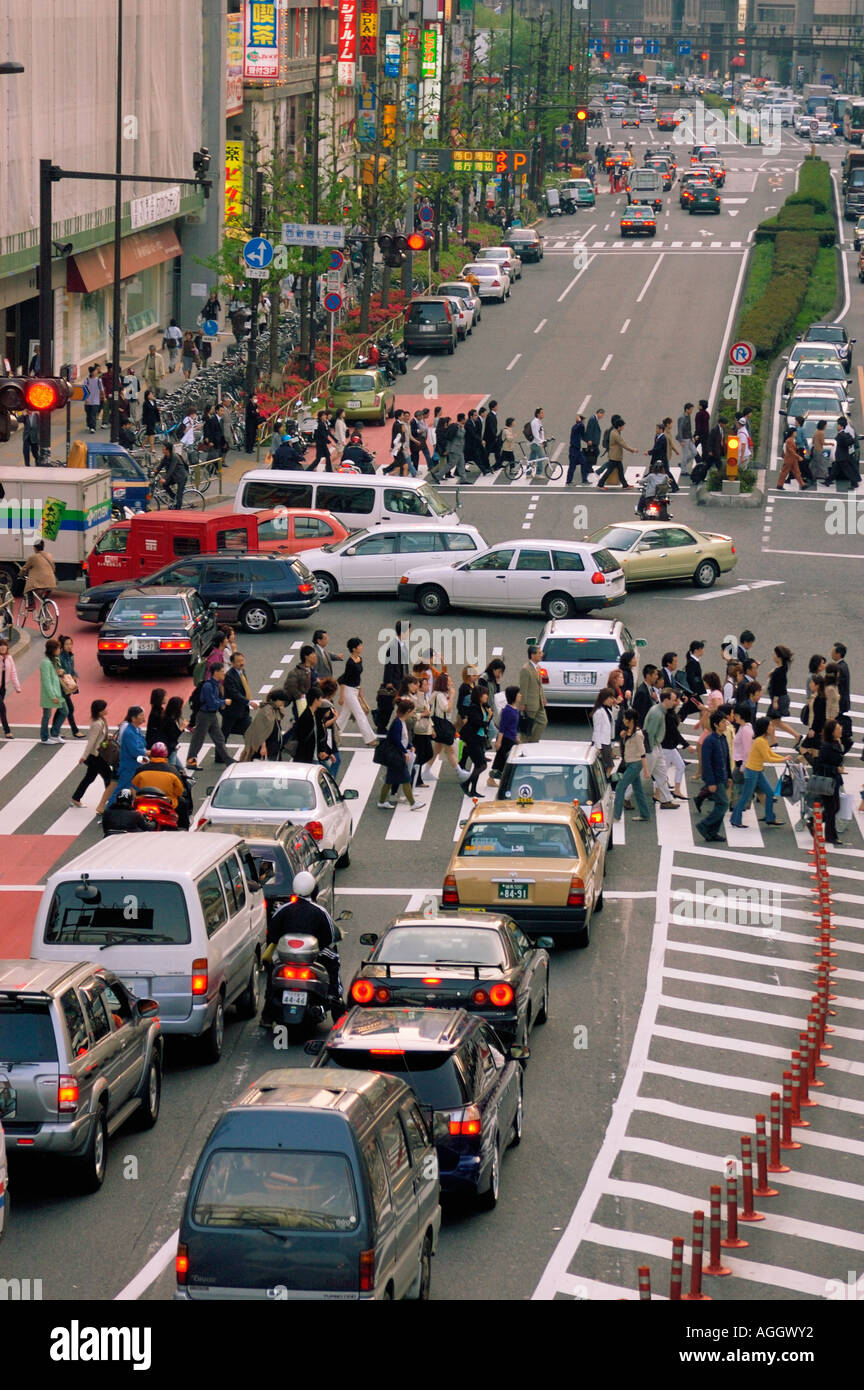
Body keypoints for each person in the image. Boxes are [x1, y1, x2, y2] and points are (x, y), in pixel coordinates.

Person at [262, 871, 343, 1020]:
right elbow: (329, 937)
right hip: (312, 957)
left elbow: (272, 935)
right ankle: (335, 997)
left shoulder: (283, 910)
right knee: (334, 960)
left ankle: (267, 1013)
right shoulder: (320, 911)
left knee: (271, 967)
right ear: (313, 889)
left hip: (286, 958)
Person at [730, 716, 789, 827]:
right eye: (771, 725)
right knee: (745, 796)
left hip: (758, 770)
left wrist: (783, 757)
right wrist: (783, 759)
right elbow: (768, 758)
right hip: (752, 771)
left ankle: (769, 817)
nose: (773, 727)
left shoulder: (763, 740)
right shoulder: (760, 741)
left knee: (770, 793)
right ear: (765, 728)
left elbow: (770, 754)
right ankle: (735, 820)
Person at [375, 698, 424, 810]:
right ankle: (412, 803)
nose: (413, 713)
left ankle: (382, 802)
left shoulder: (400, 722)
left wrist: (409, 746)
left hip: (395, 755)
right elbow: (396, 740)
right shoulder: (398, 723)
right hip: (396, 756)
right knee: (406, 778)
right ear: (407, 711)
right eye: (412, 711)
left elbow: (403, 739)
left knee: (389, 781)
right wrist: (404, 751)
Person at [131, 743, 191, 828]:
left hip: (143, 802)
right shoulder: (172, 771)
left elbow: (134, 784)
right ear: (165, 755)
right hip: (166, 803)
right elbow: (179, 791)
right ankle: (183, 827)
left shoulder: (141, 770)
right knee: (182, 802)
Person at [185, 663, 234, 768]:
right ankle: (190, 762)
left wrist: (221, 702)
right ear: (215, 672)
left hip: (211, 715)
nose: (223, 673)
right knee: (198, 740)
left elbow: (214, 701)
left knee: (219, 739)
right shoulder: (208, 686)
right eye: (221, 671)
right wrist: (224, 702)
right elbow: (211, 703)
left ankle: (228, 761)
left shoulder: (215, 684)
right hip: (204, 715)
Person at [71, 699, 115, 810]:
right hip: (96, 755)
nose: (107, 709)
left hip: (97, 754)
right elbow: (91, 741)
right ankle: (110, 801)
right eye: (105, 708)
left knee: (89, 777)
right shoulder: (97, 724)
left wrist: (108, 736)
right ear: (100, 711)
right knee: (108, 777)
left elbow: (100, 737)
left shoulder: (101, 720)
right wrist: (84, 756)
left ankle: (76, 798)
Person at [695, 709, 732, 842]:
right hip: (714, 779)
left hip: (722, 776)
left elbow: (726, 758)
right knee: (723, 803)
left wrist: (729, 776)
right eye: (723, 722)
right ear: (716, 724)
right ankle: (704, 825)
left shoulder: (722, 738)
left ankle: (712, 831)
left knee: (720, 804)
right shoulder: (709, 740)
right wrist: (710, 782)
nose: (725, 724)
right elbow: (706, 763)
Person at [429, 673, 472, 783]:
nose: (452, 682)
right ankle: (459, 772)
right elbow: (447, 709)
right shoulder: (439, 695)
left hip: (440, 724)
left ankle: (425, 771)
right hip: (442, 725)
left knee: (437, 750)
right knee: (450, 750)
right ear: (445, 683)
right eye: (449, 681)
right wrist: (452, 696)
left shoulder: (438, 694)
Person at [810, 719, 846, 845]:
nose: (840, 729)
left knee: (835, 807)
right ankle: (831, 836)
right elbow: (818, 765)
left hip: (834, 780)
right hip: (827, 781)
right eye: (837, 728)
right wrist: (835, 769)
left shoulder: (836, 743)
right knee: (832, 808)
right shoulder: (826, 746)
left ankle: (813, 821)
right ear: (832, 732)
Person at [613, 709, 652, 822]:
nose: (623, 720)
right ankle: (645, 814)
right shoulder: (628, 731)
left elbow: (642, 753)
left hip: (635, 764)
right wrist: (623, 736)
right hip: (630, 763)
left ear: (631, 720)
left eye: (625, 718)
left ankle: (616, 815)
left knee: (620, 787)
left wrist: (646, 770)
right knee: (638, 790)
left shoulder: (638, 734)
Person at [337, 637, 377, 745]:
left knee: (344, 715)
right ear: (354, 649)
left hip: (355, 690)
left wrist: (360, 689)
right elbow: (344, 680)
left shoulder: (359, 659)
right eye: (359, 645)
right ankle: (370, 739)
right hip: (348, 691)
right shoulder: (350, 663)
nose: (361, 647)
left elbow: (358, 677)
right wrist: (341, 696)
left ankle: (333, 735)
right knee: (360, 714)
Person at [643, 689, 679, 809]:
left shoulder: (659, 710)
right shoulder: (657, 713)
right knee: (643, 774)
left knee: (662, 774)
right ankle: (625, 797)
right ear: (666, 700)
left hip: (656, 746)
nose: (675, 702)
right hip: (652, 747)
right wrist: (650, 750)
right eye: (673, 700)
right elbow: (650, 733)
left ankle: (666, 799)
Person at [107, 706, 148, 805]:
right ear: (133, 718)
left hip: (137, 766)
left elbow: (142, 743)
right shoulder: (129, 732)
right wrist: (147, 753)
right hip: (129, 767)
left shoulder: (136, 729)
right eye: (141, 715)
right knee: (120, 790)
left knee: (137, 789)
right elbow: (135, 751)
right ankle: (108, 811)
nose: (144, 717)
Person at [241, 689, 287, 762]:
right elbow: (260, 729)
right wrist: (263, 746)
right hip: (268, 746)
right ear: (277, 700)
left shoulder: (275, 709)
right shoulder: (267, 711)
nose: (283, 703)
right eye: (282, 701)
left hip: (273, 745)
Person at [489, 685, 521, 783]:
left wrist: (517, 738)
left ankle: (500, 779)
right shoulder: (507, 710)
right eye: (518, 693)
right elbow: (502, 727)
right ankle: (491, 779)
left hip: (511, 738)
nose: (520, 695)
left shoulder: (515, 709)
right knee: (501, 759)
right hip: (506, 739)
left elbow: (513, 726)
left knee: (506, 759)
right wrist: (499, 741)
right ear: (514, 696)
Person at [223, 651, 257, 739]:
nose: (241, 663)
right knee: (224, 736)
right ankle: (219, 752)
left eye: (242, 660)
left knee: (249, 732)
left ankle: (250, 751)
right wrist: (248, 702)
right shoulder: (229, 676)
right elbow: (235, 694)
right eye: (238, 661)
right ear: (233, 663)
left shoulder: (242, 672)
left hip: (243, 710)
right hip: (232, 711)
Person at [596, 414, 637, 488]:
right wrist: (632, 450)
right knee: (609, 471)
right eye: (622, 426)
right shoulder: (615, 434)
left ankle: (625, 485)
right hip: (614, 456)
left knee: (620, 471)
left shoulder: (615, 432)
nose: (623, 428)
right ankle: (600, 484)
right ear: (619, 427)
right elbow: (622, 443)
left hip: (616, 456)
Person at [39, 638, 66, 744]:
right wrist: (52, 696)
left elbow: (56, 675)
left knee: (64, 711)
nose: (60, 650)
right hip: (50, 693)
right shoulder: (45, 663)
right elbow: (46, 681)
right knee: (47, 715)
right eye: (58, 648)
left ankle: (54, 734)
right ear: (53, 649)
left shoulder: (55, 660)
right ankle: (44, 737)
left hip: (58, 691)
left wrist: (60, 672)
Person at [519, 646, 548, 741]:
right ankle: (522, 746)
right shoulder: (526, 669)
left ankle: (533, 741)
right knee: (528, 726)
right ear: (532, 655)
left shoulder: (538, 667)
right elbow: (524, 688)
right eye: (539, 653)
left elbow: (540, 685)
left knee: (543, 721)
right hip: (530, 703)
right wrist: (523, 703)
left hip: (538, 702)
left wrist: (543, 697)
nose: (541, 655)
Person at [57, 635, 83, 738]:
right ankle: (75, 731)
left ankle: (55, 730)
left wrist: (75, 676)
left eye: (70, 644)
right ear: (62, 645)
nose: (69, 646)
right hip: (62, 686)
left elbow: (71, 669)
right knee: (69, 709)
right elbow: (60, 671)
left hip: (68, 685)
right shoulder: (60, 657)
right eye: (67, 644)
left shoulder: (70, 655)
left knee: (62, 709)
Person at [23, 539, 56, 612]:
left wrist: (20, 574)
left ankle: (31, 605)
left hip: (40, 583)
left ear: (34, 548)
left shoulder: (33, 557)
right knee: (44, 600)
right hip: (51, 582)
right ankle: (45, 617)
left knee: (29, 589)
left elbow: (25, 568)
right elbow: (53, 568)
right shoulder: (49, 555)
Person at [590, 687, 617, 776]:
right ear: (604, 698)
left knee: (608, 765)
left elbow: (614, 720)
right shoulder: (599, 712)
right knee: (609, 765)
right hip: (602, 743)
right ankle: (606, 779)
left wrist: (616, 705)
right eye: (611, 698)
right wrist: (598, 746)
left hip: (606, 742)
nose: (612, 700)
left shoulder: (607, 709)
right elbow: (597, 730)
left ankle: (605, 778)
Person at [0, 637, 21, 738]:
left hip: (2, 689)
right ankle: (7, 731)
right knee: (2, 708)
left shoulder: (9, 658)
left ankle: (7, 731)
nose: (3, 647)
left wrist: (17, 686)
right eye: (1, 645)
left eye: (4, 645)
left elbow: (13, 673)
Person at [160, 695, 187, 770]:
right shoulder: (169, 720)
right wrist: (181, 728)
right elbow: (172, 736)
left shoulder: (172, 718)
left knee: (180, 770)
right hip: (169, 749)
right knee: (172, 770)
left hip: (172, 749)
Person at [383, 621, 411, 690]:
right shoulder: (393, 646)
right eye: (408, 631)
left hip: (402, 680)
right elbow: (389, 666)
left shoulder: (403, 644)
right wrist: (388, 682)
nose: (410, 633)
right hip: (395, 682)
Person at [676, 402, 696, 478]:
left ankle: (682, 464)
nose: (692, 411)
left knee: (694, 452)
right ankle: (683, 471)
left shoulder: (688, 416)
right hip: (684, 438)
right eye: (691, 409)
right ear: (686, 409)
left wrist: (692, 438)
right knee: (685, 455)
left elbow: (689, 428)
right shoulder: (682, 418)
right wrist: (681, 441)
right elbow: (680, 429)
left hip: (689, 438)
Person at [567, 414, 589, 485]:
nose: (584, 422)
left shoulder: (578, 428)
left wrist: (587, 441)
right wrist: (580, 422)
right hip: (574, 450)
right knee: (572, 466)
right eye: (583, 420)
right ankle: (569, 481)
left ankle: (584, 480)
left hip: (576, 450)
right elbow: (581, 426)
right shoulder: (576, 427)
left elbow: (583, 435)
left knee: (584, 462)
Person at [82, 365, 104, 433]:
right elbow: (84, 390)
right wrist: (85, 399)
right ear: (92, 372)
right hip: (88, 400)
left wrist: (103, 397)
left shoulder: (98, 380)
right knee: (88, 414)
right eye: (95, 371)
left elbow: (101, 390)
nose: (96, 372)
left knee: (93, 414)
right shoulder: (86, 380)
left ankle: (93, 427)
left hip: (96, 401)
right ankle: (89, 425)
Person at [583, 408, 604, 475]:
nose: (602, 416)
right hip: (592, 441)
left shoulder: (594, 419)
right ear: (599, 413)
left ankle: (589, 467)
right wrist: (589, 440)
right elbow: (589, 430)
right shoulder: (593, 419)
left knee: (592, 454)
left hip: (593, 441)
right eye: (602, 415)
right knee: (592, 454)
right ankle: (588, 467)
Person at [529, 407, 547, 476]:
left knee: (532, 458)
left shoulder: (538, 421)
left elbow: (540, 432)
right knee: (541, 457)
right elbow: (536, 434)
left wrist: (543, 440)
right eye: (542, 413)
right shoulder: (535, 422)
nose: (543, 414)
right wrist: (541, 441)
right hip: (535, 443)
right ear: (538, 414)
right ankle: (538, 473)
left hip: (535, 443)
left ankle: (528, 473)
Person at [483, 399, 501, 471]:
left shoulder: (492, 415)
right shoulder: (490, 416)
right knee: (487, 453)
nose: (498, 407)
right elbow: (491, 428)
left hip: (492, 438)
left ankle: (498, 464)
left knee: (497, 451)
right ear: (493, 407)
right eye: (496, 406)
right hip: (490, 438)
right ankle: (486, 466)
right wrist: (495, 436)